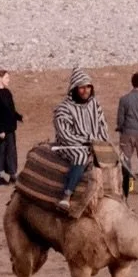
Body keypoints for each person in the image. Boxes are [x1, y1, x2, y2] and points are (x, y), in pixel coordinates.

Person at [50, 67, 109, 211]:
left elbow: (102, 125)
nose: (85, 90)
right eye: (82, 88)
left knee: (115, 157)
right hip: (70, 145)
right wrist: (86, 141)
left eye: (88, 87)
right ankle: (66, 196)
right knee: (81, 156)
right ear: (74, 89)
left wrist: (101, 141)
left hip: (93, 143)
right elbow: (64, 134)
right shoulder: (64, 108)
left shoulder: (94, 104)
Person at [0, 70, 22, 185]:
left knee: (11, 151)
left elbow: (10, 109)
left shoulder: (7, 92)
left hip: (10, 128)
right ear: (0, 78)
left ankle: (12, 174)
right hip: (0, 130)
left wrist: (18, 117)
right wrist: (0, 130)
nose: (9, 80)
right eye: (7, 78)